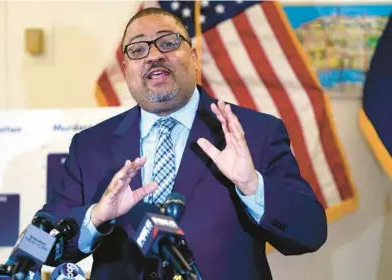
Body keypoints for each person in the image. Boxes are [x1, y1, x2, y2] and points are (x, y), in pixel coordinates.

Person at [38, 7, 328, 280]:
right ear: (126, 69)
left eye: (167, 43)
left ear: (194, 56)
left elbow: (310, 233)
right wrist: (95, 218)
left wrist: (253, 186)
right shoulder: (90, 146)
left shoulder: (254, 132)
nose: (153, 56)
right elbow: (42, 246)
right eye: (138, 49)